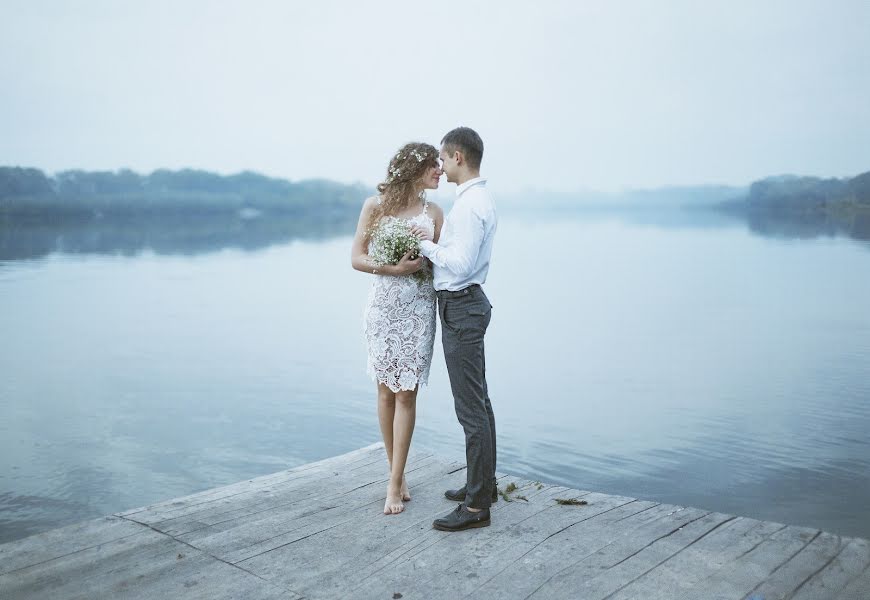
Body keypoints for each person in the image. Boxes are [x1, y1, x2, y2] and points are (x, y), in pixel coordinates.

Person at [411, 127, 499, 531]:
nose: (441, 168)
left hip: (462, 308)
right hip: (466, 307)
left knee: (470, 410)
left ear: (458, 157)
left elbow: (460, 265)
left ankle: (477, 507)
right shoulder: (477, 199)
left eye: (443, 160)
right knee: (479, 403)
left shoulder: (468, 206)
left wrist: (426, 244)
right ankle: (482, 486)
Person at [350, 142, 444, 515]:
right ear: (413, 168)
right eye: (433, 166)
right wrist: (393, 268)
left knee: (407, 393)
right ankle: (397, 472)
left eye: (441, 165)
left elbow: (445, 262)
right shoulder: (375, 206)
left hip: (419, 309)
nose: (439, 172)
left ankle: (393, 482)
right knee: (385, 393)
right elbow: (356, 257)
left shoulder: (435, 211)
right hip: (383, 307)